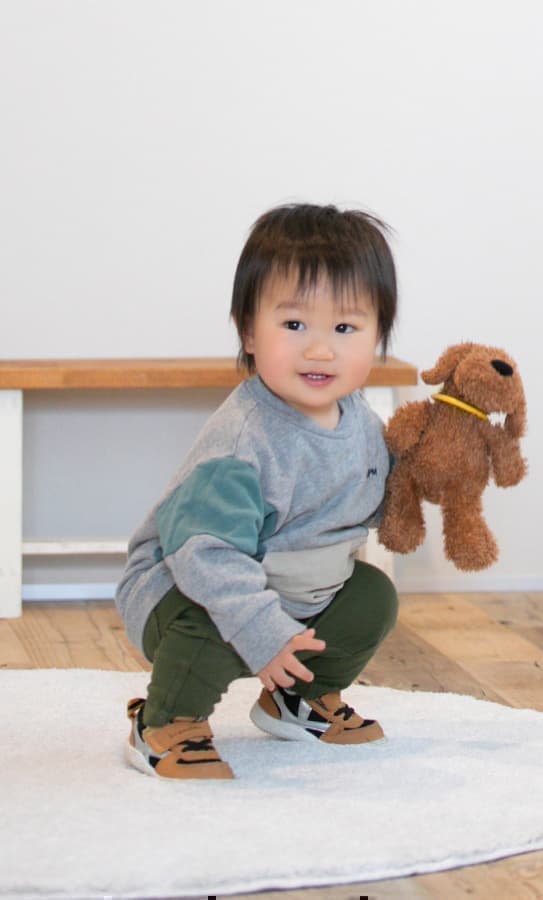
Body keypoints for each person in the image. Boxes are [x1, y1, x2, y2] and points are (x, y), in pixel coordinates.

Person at [116, 203, 400, 779]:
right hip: (188, 584)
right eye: (294, 325)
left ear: (377, 338)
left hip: (295, 584)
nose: (320, 350)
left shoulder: (362, 422)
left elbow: (372, 498)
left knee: (372, 596)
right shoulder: (243, 440)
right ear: (249, 331)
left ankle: (295, 699)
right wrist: (262, 631)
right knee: (210, 623)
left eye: (345, 328)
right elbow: (206, 555)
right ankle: (163, 720)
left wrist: (432, 477)